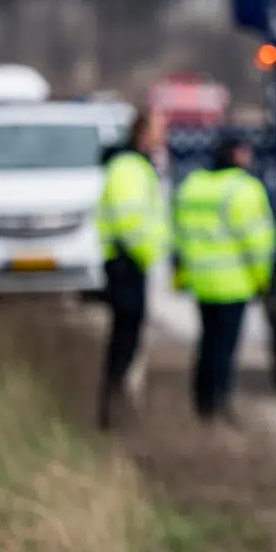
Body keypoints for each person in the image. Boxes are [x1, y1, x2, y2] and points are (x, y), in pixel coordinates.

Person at [172, 135, 275, 425]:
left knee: (207, 340)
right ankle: (220, 402)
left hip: (200, 279)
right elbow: (256, 242)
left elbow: (179, 234)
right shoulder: (244, 189)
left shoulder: (193, 186)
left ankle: (202, 401)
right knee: (225, 346)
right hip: (233, 282)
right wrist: (262, 280)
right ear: (236, 155)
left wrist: (181, 274)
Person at [95, 108, 171, 430]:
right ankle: (112, 408)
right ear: (143, 132)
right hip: (127, 262)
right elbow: (128, 221)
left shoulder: (137, 165)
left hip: (131, 262)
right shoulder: (129, 167)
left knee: (128, 337)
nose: (163, 135)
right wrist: (147, 253)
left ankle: (117, 406)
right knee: (125, 339)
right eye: (159, 129)